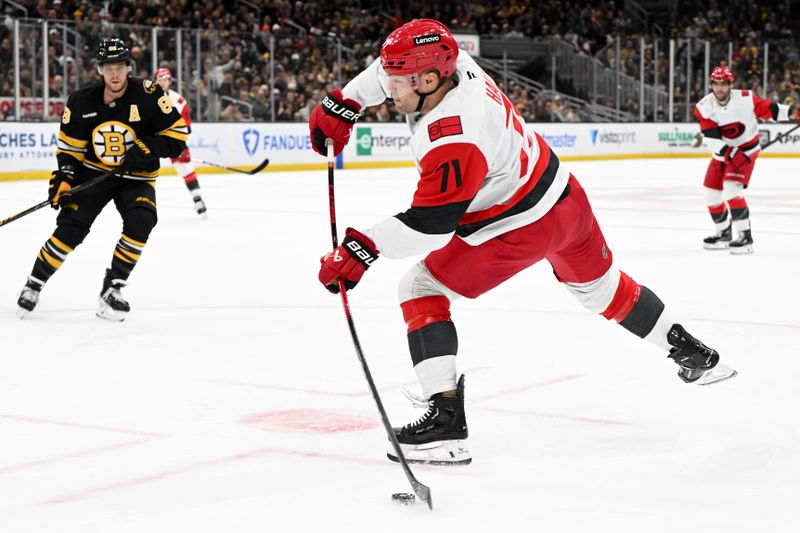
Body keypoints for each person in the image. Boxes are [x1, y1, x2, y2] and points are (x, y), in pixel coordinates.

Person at [309, 19, 737, 466]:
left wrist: (362, 248)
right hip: (565, 198)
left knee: (420, 289)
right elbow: (387, 69)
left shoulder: (455, 135)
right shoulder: (455, 66)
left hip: (517, 226)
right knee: (603, 291)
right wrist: (347, 100)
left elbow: (432, 224)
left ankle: (446, 426)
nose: (389, 89)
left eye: (398, 83)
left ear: (430, 79)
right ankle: (687, 348)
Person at [16, 38, 188, 321]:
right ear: (99, 70)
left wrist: (149, 148)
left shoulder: (149, 94)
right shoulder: (81, 101)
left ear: (128, 67)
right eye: (109, 69)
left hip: (137, 177)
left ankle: (113, 287)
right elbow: (69, 151)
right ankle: (34, 283)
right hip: (95, 174)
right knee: (71, 229)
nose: (115, 75)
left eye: (120, 67)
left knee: (142, 220)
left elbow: (178, 136)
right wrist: (66, 178)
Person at [695, 65, 798, 254]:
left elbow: (770, 109)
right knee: (711, 194)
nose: (719, 88)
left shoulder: (745, 98)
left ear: (730, 84)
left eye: (723, 84)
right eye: (716, 83)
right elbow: (710, 137)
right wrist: (731, 153)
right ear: (711, 84)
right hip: (722, 154)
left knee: (731, 191)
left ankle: (745, 236)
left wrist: (795, 113)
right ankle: (723, 231)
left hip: (747, 152)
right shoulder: (703, 106)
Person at [155, 67, 207, 217]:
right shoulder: (148, 98)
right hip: (152, 140)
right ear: (155, 81)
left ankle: (198, 199)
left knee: (185, 167)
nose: (163, 83)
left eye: (165, 80)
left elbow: (187, 130)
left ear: (170, 82)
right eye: (160, 79)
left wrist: (182, 146)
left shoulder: (179, 102)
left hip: (172, 141)